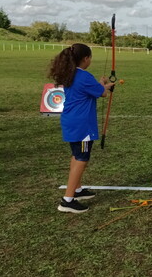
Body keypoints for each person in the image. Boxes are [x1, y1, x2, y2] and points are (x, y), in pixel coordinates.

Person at [48, 43, 114, 213]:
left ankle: (77, 191)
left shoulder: (71, 73)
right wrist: (104, 87)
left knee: (76, 155)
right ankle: (67, 200)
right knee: (82, 158)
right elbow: (102, 93)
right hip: (82, 125)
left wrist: (102, 84)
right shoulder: (84, 77)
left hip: (71, 121)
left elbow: (94, 89)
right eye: (90, 57)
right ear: (85, 59)